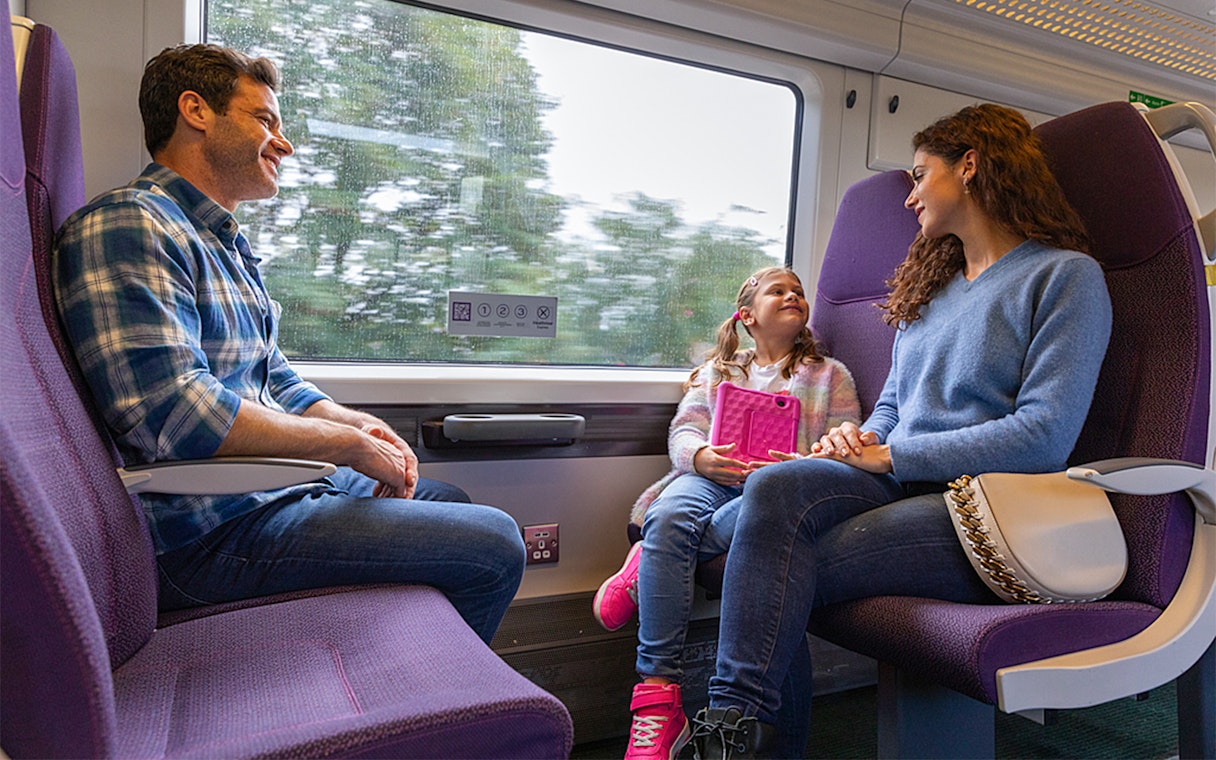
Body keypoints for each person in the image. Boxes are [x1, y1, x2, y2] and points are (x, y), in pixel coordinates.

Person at [52, 44, 525, 644]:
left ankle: (401, 667)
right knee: (494, 544)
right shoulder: (131, 222)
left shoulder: (223, 242)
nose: (285, 143)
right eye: (265, 120)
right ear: (196, 111)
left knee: (445, 497)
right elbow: (174, 414)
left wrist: (357, 424)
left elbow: (273, 376)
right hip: (207, 528)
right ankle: (444, 712)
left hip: (265, 488)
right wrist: (343, 445)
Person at [688, 104, 1113, 759]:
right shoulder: (933, 291)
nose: (910, 195)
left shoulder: (1063, 277)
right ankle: (740, 731)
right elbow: (892, 405)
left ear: (970, 166)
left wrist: (890, 455)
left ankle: (730, 734)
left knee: (773, 567)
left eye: (920, 175)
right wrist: (857, 440)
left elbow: (1043, 436)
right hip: (897, 480)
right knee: (775, 486)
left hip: (982, 505)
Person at [593, 267, 861, 760]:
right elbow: (684, 430)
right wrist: (700, 458)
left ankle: (648, 558)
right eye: (777, 291)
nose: (792, 296)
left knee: (690, 531)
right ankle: (657, 698)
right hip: (708, 477)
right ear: (747, 317)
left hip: (771, 490)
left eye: (798, 292)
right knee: (671, 514)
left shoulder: (830, 374)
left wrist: (807, 462)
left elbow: (845, 443)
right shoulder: (721, 371)